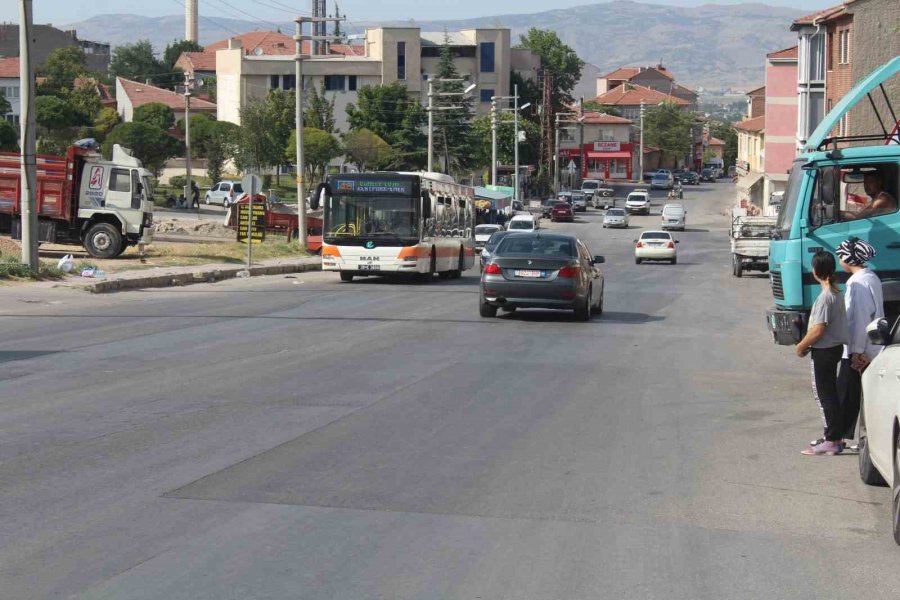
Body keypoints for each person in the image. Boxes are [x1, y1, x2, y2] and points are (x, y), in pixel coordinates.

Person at [795, 250, 849, 456]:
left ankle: (831, 440)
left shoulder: (826, 297)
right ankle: (834, 436)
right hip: (833, 349)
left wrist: (800, 346)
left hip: (824, 351)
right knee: (830, 394)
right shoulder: (836, 293)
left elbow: (818, 329)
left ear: (816, 271)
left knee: (823, 395)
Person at [834, 238, 883, 448]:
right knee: (862, 395)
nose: (839, 259)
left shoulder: (858, 283)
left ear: (847, 257)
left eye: (840, 254)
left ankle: (836, 438)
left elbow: (860, 318)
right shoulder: (869, 277)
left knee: (846, 395)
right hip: (868, 346)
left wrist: (855, 352)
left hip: (859, 349)